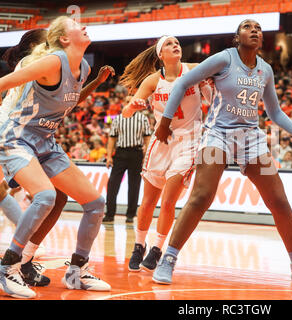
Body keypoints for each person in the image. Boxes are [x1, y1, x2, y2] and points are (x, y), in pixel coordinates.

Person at [151, 19, 292, 285]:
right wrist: (164, 123)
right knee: (201, 197)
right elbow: (182, 82)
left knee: (279, 200)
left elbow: (275, 113)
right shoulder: (224, 59)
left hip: (250, 138)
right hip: (217, 134)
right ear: (237, 37)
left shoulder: (265, 70)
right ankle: (169, 259)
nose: (254, 30)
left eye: (258, 27)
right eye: (247, 27)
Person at [0, 16, 112, 299]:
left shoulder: (84, 67)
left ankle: (77, 271)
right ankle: (8, 267)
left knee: (96, 203)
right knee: (46, 196)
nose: (84, 25)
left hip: (46, 141)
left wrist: (97, 82)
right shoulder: (51, 62)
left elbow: (69, 103)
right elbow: (6, 81)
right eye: (76, 25)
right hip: (16, 136)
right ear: (64, 38)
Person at [118, 35, 213, 272]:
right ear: (161, 54)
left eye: (178, 43)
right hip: (161, 142)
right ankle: (139, 245)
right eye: (170, 44)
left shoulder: (193, 70)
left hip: (188, 141)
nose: (176, 45)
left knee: (169, 200)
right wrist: (134, 105)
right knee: (148, 201)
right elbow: (126, 114)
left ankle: (158, 248)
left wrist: (208, 86)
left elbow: (214, 92)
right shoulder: (152, 81)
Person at [102, 96, 152, 224]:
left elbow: (147, 138)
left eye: (132, 101)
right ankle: (110, 214)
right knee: (112, 184)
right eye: (127, 101)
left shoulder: (143, 119)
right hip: (120, 153)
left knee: (134, 185)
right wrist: (108, 156)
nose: (129, 103)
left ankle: (130, 214)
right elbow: (112, 138)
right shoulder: (117, 119)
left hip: (136, 153)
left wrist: (146, 156)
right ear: (123, 103)